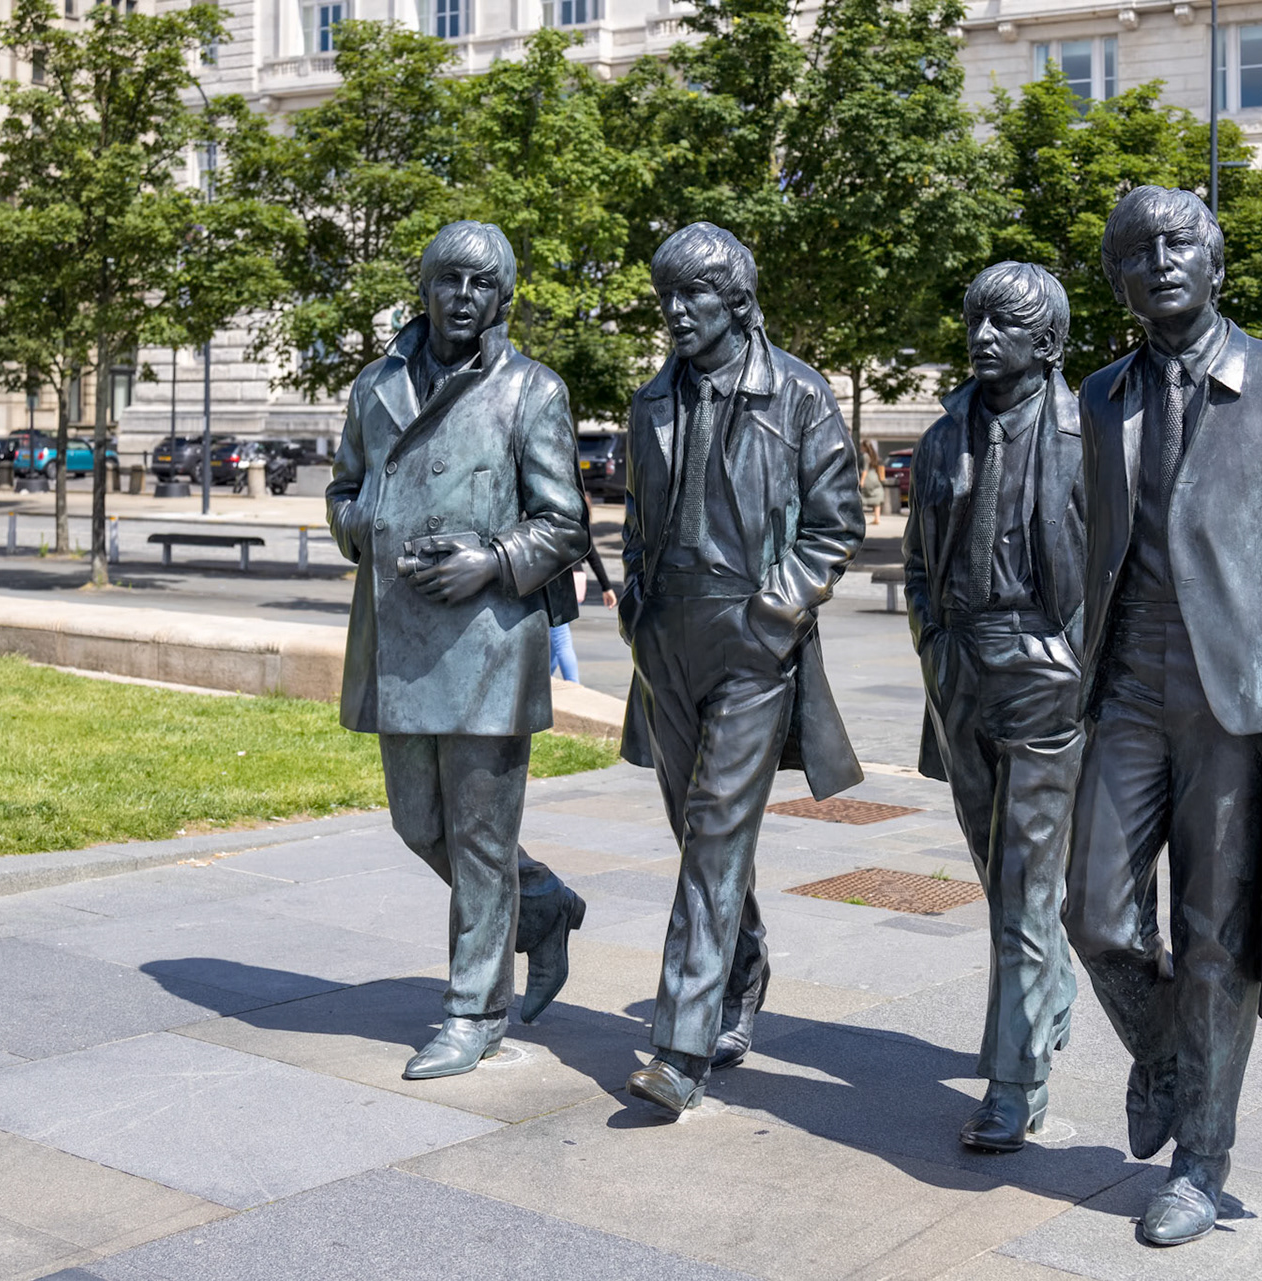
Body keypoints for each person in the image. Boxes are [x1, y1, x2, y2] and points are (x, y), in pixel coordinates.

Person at [1063, 186, 1262, 1245]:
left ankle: (1201, 1155)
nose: (1160, 262)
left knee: (1215, 940)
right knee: (1092, 914)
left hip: (1240, 702)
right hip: (1129, 687)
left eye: (1179, 241)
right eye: (1135, 251)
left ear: (1216, 259)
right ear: (1118, 279)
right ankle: (1165, 1052)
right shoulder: (1100, 396)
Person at [326, 220, 591, 1081]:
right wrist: (356, 518)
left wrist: (493, 561)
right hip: (399, 638)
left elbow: (564, 524)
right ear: (427, 289)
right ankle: (541, 905)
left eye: (483, 284)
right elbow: (341, 489)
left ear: (502, 297)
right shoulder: (375, 387)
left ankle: (474, 1010)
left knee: (479, 837)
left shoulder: (531, 392)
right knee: (418, 823)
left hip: (486, 644)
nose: (466, 298)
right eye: (451, 281)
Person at [616, 222, 866, 1115]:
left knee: (719, 828)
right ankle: (743, 958)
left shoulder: (795, 395)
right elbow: (637, 524)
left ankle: (679, 1046)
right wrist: (635, 605)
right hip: (667, 643)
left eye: (695, 297)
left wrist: (776, 608)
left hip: (752, 642)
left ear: (739, 302)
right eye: (667, 298)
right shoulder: (650, 403)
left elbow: (837, 525)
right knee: (699, 831)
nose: (677, 314)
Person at [902, 261, 1085, 1154]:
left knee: (1022, 885)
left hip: (1048, 675)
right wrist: (934, 646)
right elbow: (916, 563)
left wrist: (1076, 661)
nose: (981, 338)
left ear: (1047, 344)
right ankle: (1047, 988)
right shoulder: (943, 439)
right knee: (999, 877)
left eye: (1004, 325)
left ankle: (1014, 1082)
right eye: (975, 321)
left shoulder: (1090, 435)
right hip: (962, 674)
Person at [549, 525, 616, 683]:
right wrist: (606, 586)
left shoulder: (550, 517)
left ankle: (573, 684)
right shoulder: (578, 521)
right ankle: (544, 682)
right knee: (554, 639)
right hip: (577, 579)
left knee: (560, 639)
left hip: (559, 581)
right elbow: (592, 553)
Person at [859, 440, 888, 524]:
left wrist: (862, 481)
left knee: (862, 498)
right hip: (874, 477)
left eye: (861, 446)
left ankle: (861, 519)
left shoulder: (865, 456)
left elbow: (865, 469)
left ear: (865, 447)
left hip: (867, 478)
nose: (860, 447)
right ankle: (877, 518)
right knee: (877, 497)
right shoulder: (874, 456)